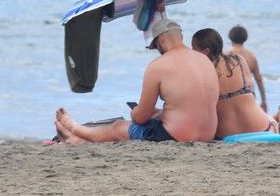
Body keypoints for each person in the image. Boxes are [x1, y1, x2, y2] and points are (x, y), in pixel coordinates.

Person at [53, 19, 219, 144]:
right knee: (153, 117)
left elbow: (140, 118)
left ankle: (75, 128)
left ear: (161, 39)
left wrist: (135, 113)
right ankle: (76, 140)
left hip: (176, 136)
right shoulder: (205, 61)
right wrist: (160, 113)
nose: (159, 52)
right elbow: (191, 105)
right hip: (207, 135)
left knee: (118, 127)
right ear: (181, 36)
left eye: (156, 46)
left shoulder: (158, 66)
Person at [191, 27, 279, 139]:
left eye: (194, 48)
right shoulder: (240, 60)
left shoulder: (202, 71)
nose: (191, 51)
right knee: (272, 120)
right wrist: (264, 100)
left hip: (226, 135)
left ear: (206, 51)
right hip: (262, 128)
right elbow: (253, 88)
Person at [227, 25, 267, 112]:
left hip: (231, 91)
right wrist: (264, 100)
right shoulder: (251, 56)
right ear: (245, 38)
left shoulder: (227, 55)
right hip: (249, 92)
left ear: (230, 37)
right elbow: (259, 79)